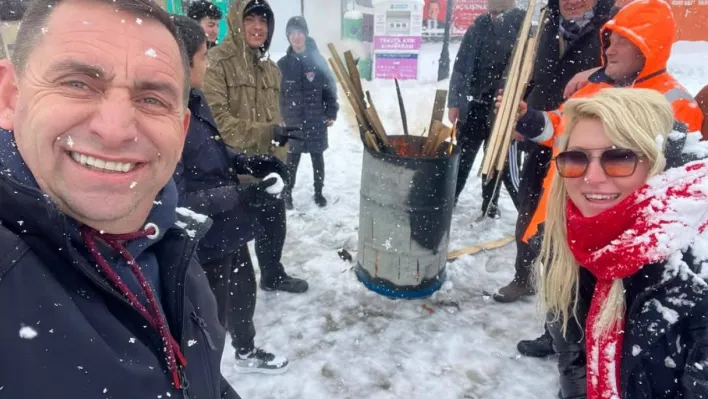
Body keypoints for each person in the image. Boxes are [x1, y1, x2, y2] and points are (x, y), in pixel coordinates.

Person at [0, 0, 239, 397]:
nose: (115, 130)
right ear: (10, 96)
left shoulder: (172, 240)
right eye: (78, 83)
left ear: (180, 131)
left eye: (151, 99)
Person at [513, 0, 705, 376]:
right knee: (560, 284)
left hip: (615, 232)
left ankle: (589, 360)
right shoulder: (595, 88)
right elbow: (560, 129)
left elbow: (674, 177)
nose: (609, 49)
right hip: (565, 216)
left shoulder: (674, 102)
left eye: (622, 41)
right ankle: (558, 338)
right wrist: (531, 120)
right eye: (609, 40)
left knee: (599, 306)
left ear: (647, 46)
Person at [536, 87, 708, 398]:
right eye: (577, 158)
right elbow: (573, 360)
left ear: (660, 164)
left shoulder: (696, 268)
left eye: (619, 158)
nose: (592, 177)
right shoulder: (564, 241)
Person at [172, 15, 290, 374]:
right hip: (199, 244)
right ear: (181, 61)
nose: (207, 65)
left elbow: (215, 151)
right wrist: (240, 196)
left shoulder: (194, 99)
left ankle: (246, 349)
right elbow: (173, 202)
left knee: (243, 290)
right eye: (202, 57)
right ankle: (204, 380)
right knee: (209, 320)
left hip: (227, 231)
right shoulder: (166, 115)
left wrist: (250, 162)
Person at [493, 0, 617, 307]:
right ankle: (523, 276)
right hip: (540, 132)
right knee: (529, 207)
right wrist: (517, 110)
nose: (572, 1)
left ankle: (565, 295)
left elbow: (626, 72)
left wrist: (596, 72)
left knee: (569, 218)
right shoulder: (547, 25)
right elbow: (527, 74)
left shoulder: (610, 28)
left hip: (585, 144)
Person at [203, 0, 309, 293]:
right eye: (251, 19)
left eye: (264, 21)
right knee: (233, 243)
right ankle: (229, 308)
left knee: (273, 228)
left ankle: (273, 275)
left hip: (267, 164)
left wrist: (280, 148)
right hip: (232, 168)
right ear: (237, 21)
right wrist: (266, 133)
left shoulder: (270, 68)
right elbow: (219, 123)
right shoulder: (218, 63)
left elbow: (275, 115)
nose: (258, 26)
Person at [447, 0, 523, 220]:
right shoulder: (480, 25)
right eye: (491, 9)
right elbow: (462, 66)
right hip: (473, 105)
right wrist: (455, 101)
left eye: (498, 10)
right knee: (462, 157)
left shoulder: (521, 27)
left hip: (502, 107)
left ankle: (490, 204)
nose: (493, 14)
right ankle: (451, 197)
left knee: (495, 159)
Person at [278, 16, 339, 209]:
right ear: (288, 37)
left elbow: (330, 88)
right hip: (292, 120)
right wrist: (279, 116)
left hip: (315, 118)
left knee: (317, 156)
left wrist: (331, 111)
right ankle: (287, 193)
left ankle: (318, 192)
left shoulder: (318, 61)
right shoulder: (282, 65)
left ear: (306, 34)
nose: (296, 37)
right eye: (292, 33)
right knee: (292, 160)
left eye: (299, 32)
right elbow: (276, 94)